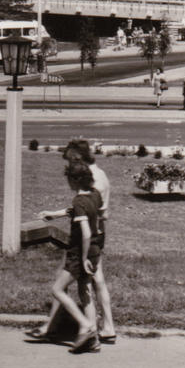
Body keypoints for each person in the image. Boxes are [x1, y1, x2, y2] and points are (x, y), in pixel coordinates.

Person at [32, 141, 116, 346]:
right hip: (96, 235)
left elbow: (83, 212)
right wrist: (56, 214)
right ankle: (102, 329)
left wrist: (85, 252)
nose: (69, 167)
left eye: (70, 162)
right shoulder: (98, 177)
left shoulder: (93, 181)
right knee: (91, 282)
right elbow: (92, 210)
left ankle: (80, 327)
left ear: (78, 161)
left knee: (71, 281)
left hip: (86, 239)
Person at [25, 158, 102, 353]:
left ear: (74, 181)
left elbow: (84, 232)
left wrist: (82, 258)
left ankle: (85, 326)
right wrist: (54, 214)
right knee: (85, 293)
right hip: (94, 250)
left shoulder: (79, 200)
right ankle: (93, 340)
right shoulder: (95, 195)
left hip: (79, 254)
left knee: (57, 289)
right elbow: (80, 214)